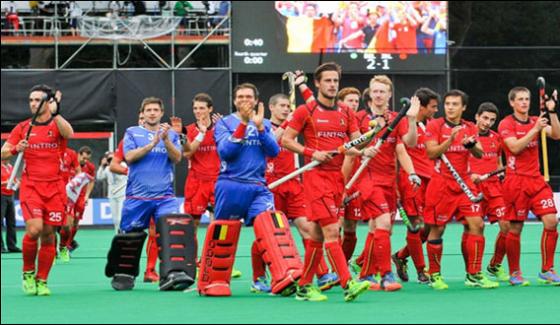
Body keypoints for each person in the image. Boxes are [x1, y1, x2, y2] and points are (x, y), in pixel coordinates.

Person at [198, 83, 302, 297]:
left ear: (256, 101)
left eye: (248, 97)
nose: (245, 100)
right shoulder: (225, 123)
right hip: (230, 185)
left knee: (271, 226)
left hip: (258, 187)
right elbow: (226, 153)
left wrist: (261, 129)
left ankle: (283, 275)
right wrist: (244, 125)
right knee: (223, 233)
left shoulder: (263, 123)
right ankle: (213, 281)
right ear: (235, 100)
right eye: (240, 97)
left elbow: (273, 150)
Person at [282, 63, 371, 302]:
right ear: (318, 84)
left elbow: (354, 144)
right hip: (315, 178)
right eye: (328, 81)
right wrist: (311, 152)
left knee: (317, 236)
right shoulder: (305, 110)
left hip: (336, 179)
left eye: (335, 80)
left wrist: (367, 145)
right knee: (333, 230)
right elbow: (287, 140)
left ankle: (303, 287)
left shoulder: (346, 112)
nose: (332, 85)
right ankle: (347, 283)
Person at [105, 98, 185, 291]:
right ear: (143, 112)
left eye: (155, 110)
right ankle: (125, 274)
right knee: (130, 237)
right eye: (148, 110)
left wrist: (165, 140)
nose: (152, 113)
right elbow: (129, 158)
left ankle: (171, 274)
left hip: (164, 197)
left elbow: (177, 158)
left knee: (170, 234)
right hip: (137, 197)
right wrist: (151, 145)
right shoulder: (132, 132)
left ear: (161, 113)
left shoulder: (171, 134)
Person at [349, 75, 420, 292]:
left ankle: (365, 275)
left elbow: (406, 145)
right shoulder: (359, 118)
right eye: (375, 91)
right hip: (367, 180)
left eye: (383, 91)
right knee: (384, 224)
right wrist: (364, 147)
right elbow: (349, 148)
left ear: (389, 95)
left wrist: (412, 119)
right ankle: (386, 275)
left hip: (389, 181)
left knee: (377, 229)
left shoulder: (395, 118)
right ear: (369, 94)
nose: (379, 95)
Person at [1, 84, 73, 296]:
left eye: (37, 100)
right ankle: (28, 272)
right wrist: (15, 149)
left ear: (47, 102)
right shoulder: (23, 127)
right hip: (31, 187)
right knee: (33, 230)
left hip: (56, 188)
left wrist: (56, 112)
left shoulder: (57, 124)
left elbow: (69, 132)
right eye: (30, 100)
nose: (32, 103)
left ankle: (42, 280)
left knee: (49, 236)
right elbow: (3, 153)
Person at [424, 89, 498, 290]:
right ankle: (435, 275)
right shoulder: (434, 125)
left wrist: (471, 144)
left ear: (463, 107)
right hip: (441, 185)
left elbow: (480, 154)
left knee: (477, 226)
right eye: (447, 103)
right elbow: (431, 153)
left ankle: (473, 274)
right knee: (438, 229)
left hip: (464, 185)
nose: (450, 107)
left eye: (455, 104)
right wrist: (449, 140)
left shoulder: (470, 127)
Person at [266, 93, 339, 292]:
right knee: (269, 235)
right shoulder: (263, 125)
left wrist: (302, 89)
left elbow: (317, 109)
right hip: (271, 186)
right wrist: (285, 125)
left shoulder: (296, 125)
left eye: (287, 106)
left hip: (294, 184)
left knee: (308, 228)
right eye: (281, 106)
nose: (285, 110)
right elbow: (271, 144)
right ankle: (260, 278)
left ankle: (323, 274)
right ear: (271, 108)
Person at [498, 87, 559, 286]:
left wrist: (552, 112)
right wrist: (535, 130)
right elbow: (514, 147)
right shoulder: (506, 123)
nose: (524, 102)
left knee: (551, 221)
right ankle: (515, 272)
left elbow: (557, 134)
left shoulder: (536, 120)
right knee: (515, 228)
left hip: (536, 181)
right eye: (520, 99)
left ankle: (547, 270)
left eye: (527, 99)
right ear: (512, 102)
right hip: (516, 182)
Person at [392, 87, 440, 284]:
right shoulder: (403, 123)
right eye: (433, 107)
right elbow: (396, 154)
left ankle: (401, 256)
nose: (436, 110)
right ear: (420, 106)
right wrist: (395, 183)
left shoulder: (433, 126)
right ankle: (422, 271)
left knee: (429, 227)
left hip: (431, 181)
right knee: (414, 226)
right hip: (411, 180)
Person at [467, 102, 510, 283]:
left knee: (507, 227)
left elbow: (499, 162)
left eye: (492, 120)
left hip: (494, 189)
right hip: (471, 188)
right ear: (477, 116)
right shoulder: (466, 136)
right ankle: (472, 271)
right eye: (485, 118)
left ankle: (494, 265)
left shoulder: (497, 138)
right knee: (475, 229)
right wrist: (471, 175)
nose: (488, 122)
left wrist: (502, 175)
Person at [58, 146, 95, 261]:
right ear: (79, 154)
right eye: (83, 158)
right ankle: (55, 247)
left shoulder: (90, 167)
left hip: (80, 197)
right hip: (67, 194)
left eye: (87, 159)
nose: (85, 161)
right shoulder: (69, 163)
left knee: (74, 222)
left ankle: (67, 245)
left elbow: (91, 181)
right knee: (59, 223)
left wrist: (87, 195)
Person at [97, 151, 127, 233]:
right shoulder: (107, 169)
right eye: (108, 159)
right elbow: (99, 177)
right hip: (112, 196)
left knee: (120, 217)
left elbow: (127, 175)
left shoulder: (123, 165)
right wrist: (101, 166)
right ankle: (117, 233)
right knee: (115, 218)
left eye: (112, 158)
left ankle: (123, 232)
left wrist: (115, 167)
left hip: (122, 194)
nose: (110, 160)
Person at [1, 158, 21, 253]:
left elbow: (15, 179)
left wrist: (17, 183)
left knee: (11, 222)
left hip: (10, 195)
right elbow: (7, 181)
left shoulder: (10, 167)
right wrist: (6, 183)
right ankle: (1, 247)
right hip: (1, 196)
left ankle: (12, 246)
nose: (8, 158)